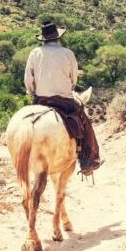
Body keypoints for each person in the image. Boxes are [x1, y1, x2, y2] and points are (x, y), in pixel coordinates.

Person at [24, 22, 102, 175]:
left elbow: (28, 78)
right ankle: (89, 162)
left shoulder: (34, 53)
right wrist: (69, 88)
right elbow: (73, 79)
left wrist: (33, 92)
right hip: (65, 101)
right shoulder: (67, 53)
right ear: (58, 37)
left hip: (41, 100)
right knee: (85, 123)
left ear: (43, 39)